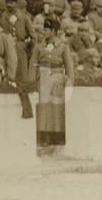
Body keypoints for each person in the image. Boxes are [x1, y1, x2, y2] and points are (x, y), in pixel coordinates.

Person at [28, 17, 75, 147]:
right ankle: (44, 137)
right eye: (44, 29)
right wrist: (31, 81)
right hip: (42, 78)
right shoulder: (38, 47)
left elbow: (69, 66)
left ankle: (57, 138)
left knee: (56, 108)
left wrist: (70, 82)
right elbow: (33, 64)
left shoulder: (63, 47)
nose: (44, 31)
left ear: (54, 31)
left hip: (57, 79)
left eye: (47, 29)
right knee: (43, 108)